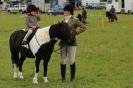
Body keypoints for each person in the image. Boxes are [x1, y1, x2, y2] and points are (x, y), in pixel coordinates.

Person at [59, 4, 86, 82]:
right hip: (63, 43)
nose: (63, 12)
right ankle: (63, 78)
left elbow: (83, 27)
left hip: (72, 43)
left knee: (71, 60)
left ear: (69, 12)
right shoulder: (63, 21)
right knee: (63, 60)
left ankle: (72, 78)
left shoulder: (75, 20)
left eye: (65, 11)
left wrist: (75, 32)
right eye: (64, 10)